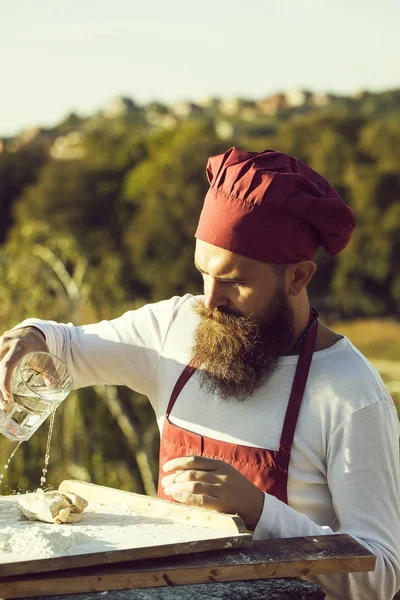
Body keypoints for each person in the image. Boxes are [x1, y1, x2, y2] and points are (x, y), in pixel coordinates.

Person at [0, 147, 399, 599]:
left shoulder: (351, 394)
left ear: (298, 278)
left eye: (235, 281)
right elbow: (64, 347)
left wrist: (258, 510)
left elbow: (381, 577)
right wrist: (28, 336)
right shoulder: (175, 328)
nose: (210, 301)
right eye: (203, 273)